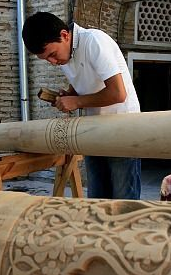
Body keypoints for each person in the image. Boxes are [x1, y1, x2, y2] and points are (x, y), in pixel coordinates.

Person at [22, 12, 141, 200]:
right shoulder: (65, 53)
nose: (53, 62)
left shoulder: (94, 42)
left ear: (64, 35)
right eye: (46, 59)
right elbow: (83, 80)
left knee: (123, 198)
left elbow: (118, 93)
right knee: (97, 198)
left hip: (122, 128)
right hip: (93, 130)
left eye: (52, 55)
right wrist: (71, 94)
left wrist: (76, 102)